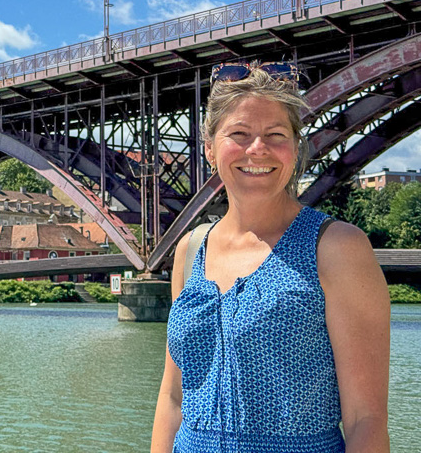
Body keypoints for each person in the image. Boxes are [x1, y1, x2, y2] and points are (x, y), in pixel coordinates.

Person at [150, 62, 390, 453]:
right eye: (239, 134)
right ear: (210, 148)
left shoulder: (335, 248)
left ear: (295, 148)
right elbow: (173, 398)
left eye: (275, 135)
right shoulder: (191, 249)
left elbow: (366, 421)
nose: (256, 148)